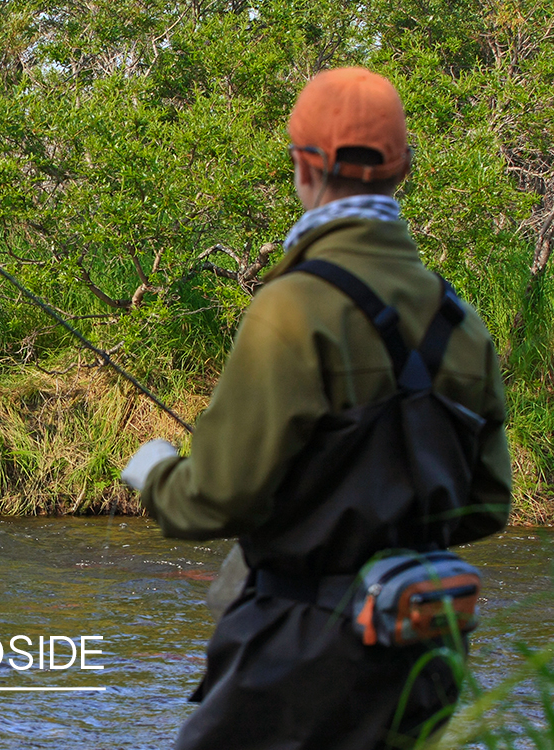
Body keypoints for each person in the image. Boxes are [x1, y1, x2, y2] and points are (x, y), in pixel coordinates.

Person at [121, 67, 513, 750]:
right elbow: (486, 502)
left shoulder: (292, 308)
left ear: (304, 166)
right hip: (422, 662)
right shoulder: (461, 322)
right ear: (404, 169)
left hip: (299, 658)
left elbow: (215, 501)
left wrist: (154, 474)